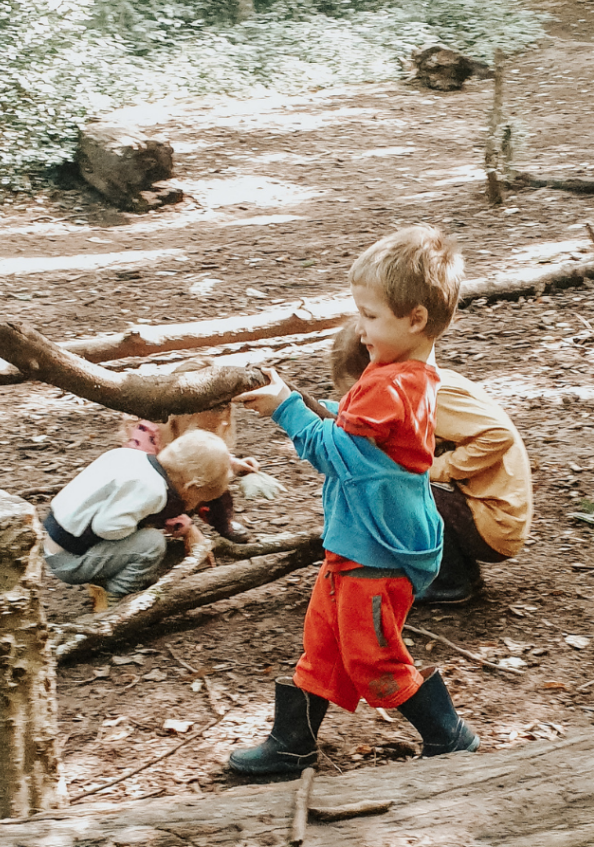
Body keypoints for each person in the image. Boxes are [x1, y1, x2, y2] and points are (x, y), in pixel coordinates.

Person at [227, 225, 478, 778]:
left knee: (371, 656)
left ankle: (448, 735)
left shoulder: (389, 386)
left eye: (370, 315)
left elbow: (338, 453)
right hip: (355, 540)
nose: (359, 329)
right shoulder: (400, 375)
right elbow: (349, 440)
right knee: (324, 642)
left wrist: (284, 407)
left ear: (415, 318)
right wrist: (290, 400)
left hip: (379, 549)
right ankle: (292, 741)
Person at [331, 318, 533, 605]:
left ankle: (450, 582)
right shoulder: (420, 383)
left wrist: (440, 469)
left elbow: (498, 435)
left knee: (399, 488)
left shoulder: (432, 394)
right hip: (481, 511)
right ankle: (462, 572)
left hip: (496, 523)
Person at [43, 429, 231, 611]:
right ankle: (115, 599)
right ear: (190, 487)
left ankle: (104, 577)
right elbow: (106, 527)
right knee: (152, 543)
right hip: (70, 561)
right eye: (198, 500)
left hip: (55, 542)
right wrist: (145, 525)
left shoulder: (131, 457)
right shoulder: (153, 491)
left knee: (142, 537)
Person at [120, 406, 255, 544]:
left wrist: (231, 464)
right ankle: (145, 533)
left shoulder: (198, 427)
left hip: (184, 488)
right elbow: (141, 487)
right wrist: (188, 529)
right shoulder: (148, 434)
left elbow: (204, 455)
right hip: (149, 495)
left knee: (215, 477)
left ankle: (223, 522)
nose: (224, 423)